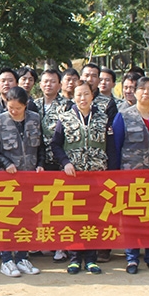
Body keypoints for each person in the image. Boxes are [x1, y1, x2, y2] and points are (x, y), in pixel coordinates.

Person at [51, 81, 116, 275]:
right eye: (79, 95)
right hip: (74, 177)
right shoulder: (65, 118)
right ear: (73, 97)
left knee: (94, 218)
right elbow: (55, 144)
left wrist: (112, 172)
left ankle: (91, 259)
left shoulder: (103, 118)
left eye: (86, 94)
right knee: (74, 218)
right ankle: (74, 258)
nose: (83, 98)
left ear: (92, 95)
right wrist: (65, 162)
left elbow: (111, 147)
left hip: (97, 176)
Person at [111, 77, 149, 274]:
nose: (146, 92)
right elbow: (116, 146)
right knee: (131, 217)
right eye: (142, 89)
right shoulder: (123, 116)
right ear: (135, 92)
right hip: (132, 176)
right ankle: (132, 258)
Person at [0, 86, 43, 278]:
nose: (14, 111)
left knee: (27, 218)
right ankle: (6, 259)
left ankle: (22, 257)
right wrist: (5, 163)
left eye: (18, 108)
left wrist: (40, 164)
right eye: (10, 108)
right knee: (7, 219)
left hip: (29, 178)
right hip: (7, 178)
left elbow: (41, 146)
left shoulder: (35, 119)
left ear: (26, 106)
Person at [31, 68, 70, 172]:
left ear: (59, 85)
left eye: (53, 82)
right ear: (40, 85)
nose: (48, 84)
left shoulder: (67, 106)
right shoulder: (34, 105)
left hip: (60, 160)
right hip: (38, 160)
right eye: (46, 81)